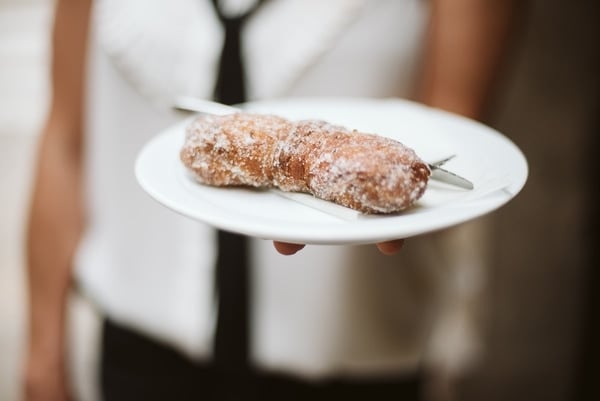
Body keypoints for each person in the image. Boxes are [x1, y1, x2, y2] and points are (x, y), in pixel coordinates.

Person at [22, 0, 517, 400]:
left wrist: (403, 215)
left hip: (352, 366)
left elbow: (461, 137)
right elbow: (66, 139)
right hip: (139, 356)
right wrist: (42, 351)